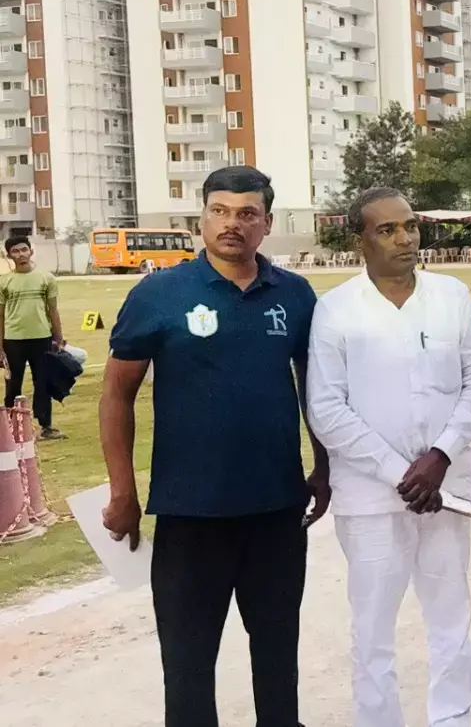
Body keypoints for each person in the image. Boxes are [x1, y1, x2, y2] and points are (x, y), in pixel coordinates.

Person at [99, 166, 329, 727]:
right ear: (201, 218)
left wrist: (323, 466)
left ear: (267, 223)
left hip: (275, 510)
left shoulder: (296, 296)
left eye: (247, 213)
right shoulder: (159, 293)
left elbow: (316, 389)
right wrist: (123, 492)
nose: (233, 224)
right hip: (188, 512)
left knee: (277, 657)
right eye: (220, 211)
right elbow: (116, 395)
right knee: (187, 666)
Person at [307, 188, 471, 727]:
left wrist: (439, 457)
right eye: (386, 230)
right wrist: (401, 475)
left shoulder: (451, 295)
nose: (404, 238)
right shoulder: (336, 308)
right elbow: (325, 407)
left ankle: (453, 718)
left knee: (450, 617)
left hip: (446, 490)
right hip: (369, 499)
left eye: (410, 225)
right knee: (371, 629)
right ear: (358, 240)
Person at [0, 236, 65, 439]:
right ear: (9, 255)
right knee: (13, 383)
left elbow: (52, 310)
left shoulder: (46, 278)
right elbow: (0, 315)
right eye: (15, 251)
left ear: (31, 251)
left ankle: (46, 426)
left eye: (23, 250)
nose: (21, 255)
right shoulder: (4, 281)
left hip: (41, 337)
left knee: (43, 382)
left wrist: (59, 337)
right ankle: (10, 428)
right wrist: (0, 346)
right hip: (14, 339)